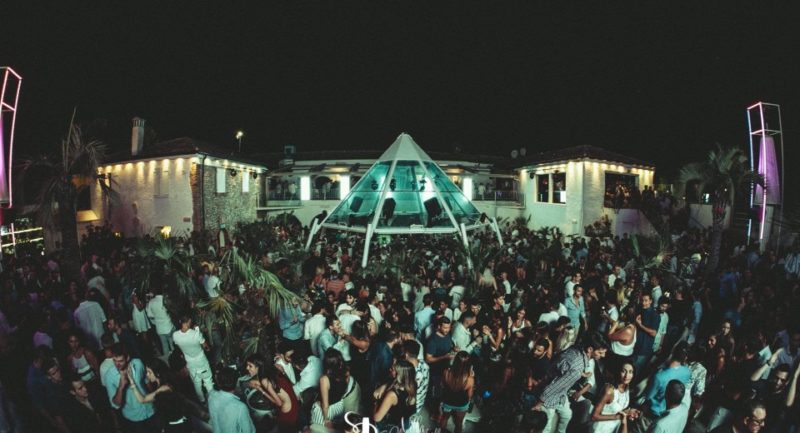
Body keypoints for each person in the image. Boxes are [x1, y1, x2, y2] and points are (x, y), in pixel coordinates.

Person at [533, 333, 609, 433]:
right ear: (590, 349)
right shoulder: (577, 369)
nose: (603, 355)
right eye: (600, 352)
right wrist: (539, 403)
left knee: (567, 415)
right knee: (546, 427)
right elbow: (555, 386)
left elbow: (565, 367)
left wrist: (580, 374)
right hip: (549, 395)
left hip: (559, 392)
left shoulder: (576, 349)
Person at [103, 343, 158, 433]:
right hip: (134, 418)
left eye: (120, 361)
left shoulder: (138, 363)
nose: (117, 364)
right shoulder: (109, 376)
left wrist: (156, 400)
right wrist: (121, 387)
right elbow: (116, 405)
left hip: (151, 410)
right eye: (114, 360)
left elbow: (146, 381)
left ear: (127, 358)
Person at [172, 315, 214, 403]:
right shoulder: (196, 334)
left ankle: (202, 400)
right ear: (189, 321)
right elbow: (206, 347)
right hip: (201, 361)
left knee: (197, 383)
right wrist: (199, 333)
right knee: (208, 381)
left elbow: (180, 347)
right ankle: (212, 400)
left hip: (190, 363)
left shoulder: (175, 335)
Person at [311, 348, 355, 428]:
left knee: (317, 428)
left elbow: (325, 405)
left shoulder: (324, 379)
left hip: (327, 411)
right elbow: (344, 391)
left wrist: (326, 419)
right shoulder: (347, 372)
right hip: (339, 407)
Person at [253, 363, 299, 433]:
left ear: (257, 367)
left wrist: (262, 391)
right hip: (294, 405)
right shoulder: (275, 371)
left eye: (250, 366)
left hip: (287, 415)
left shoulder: (265, 380)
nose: (247, 368)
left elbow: (279, 403)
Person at [592, 362, 636, 433]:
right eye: (623, 371)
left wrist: (628, 412)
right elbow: (594, 416)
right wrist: (617, 417)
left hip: (612, 429)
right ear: (618, 372)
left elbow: (618, 408)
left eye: (630, 372)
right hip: (598, 429)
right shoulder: (609, 390)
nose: (627, 376)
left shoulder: (627, 388)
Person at [208, 366, 256, 433]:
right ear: (236, 384)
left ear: (218, 382)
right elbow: (248, 431)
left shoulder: (211, 395)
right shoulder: (240, 407)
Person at [374, 360, 417, 432]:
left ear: (399, 375)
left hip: (391, 427)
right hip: (405, 422)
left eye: (392, 369)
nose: (389, 369)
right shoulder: (413, 385)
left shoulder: (392, 395)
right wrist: (384, 386)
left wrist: (376, 401)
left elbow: (377, 418)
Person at [438, 351, 474, 433]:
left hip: (447, 400)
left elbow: (441, 385)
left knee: (445, 418)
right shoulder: (470, 379)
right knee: (459, 423)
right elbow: (469, 395)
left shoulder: (446, 372)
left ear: (455, 361)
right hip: (461, 404)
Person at [402, 339, 429, 414]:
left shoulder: (411, 374)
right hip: (420, 402)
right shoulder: (424, 364)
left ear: (406, 354)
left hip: (413, 407)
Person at [146, 288, 175, 356]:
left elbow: (150, 315)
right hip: (168, 326)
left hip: (160, 329)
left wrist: (157, 316)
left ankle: (167, 360)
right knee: (172, 344)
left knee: (164, 346)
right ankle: (176, 358)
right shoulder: (165, 300)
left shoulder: (151, 302)